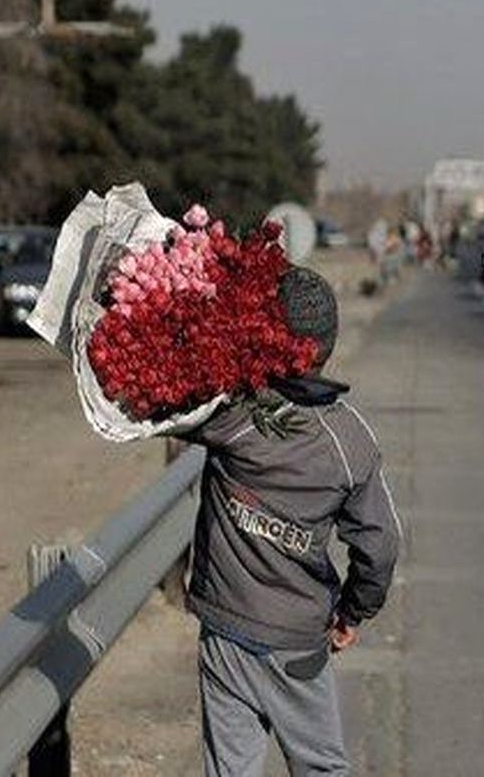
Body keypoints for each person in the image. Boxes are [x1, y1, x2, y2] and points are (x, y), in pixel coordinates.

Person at [178, 267, 401, 776]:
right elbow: (381, 546)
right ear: (328, 344)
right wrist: (352, 613)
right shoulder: (349, 441)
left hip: (225, 631)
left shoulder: (231, 416)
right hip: (299, 645)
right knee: (321, 767)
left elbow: (161, 407)